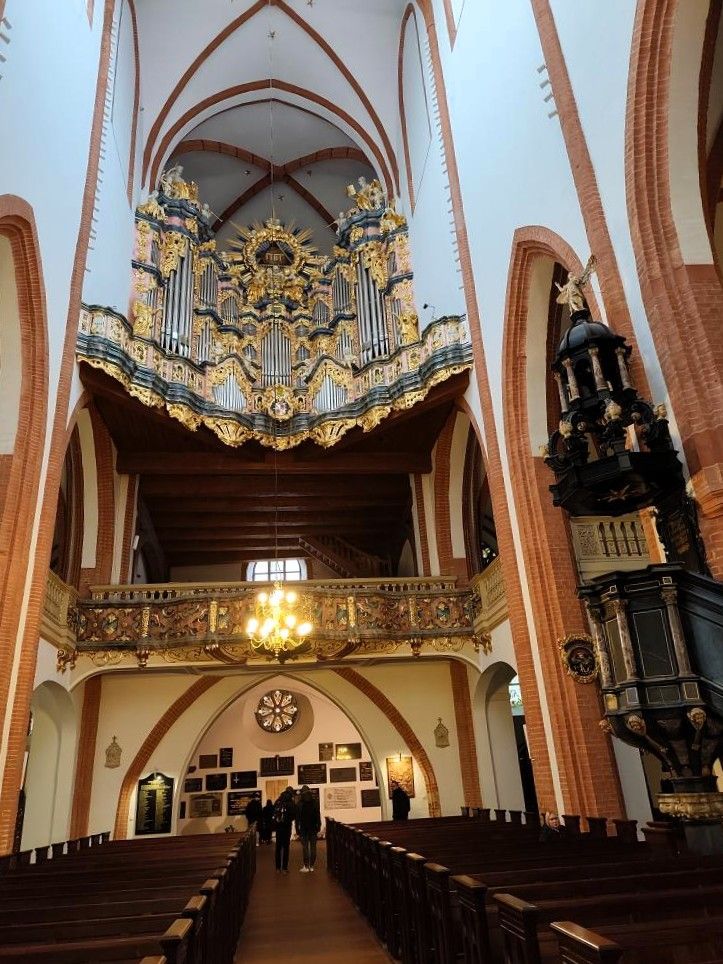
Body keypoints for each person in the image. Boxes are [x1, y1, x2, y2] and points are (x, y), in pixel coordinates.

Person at [295, 785, 321, 873]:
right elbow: (318, 815)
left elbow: (297, 818)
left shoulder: (299, 803)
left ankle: (306, 866)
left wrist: (297, 829)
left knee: (305, 847)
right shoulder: (314, 802)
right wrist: (318, 826)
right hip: (313, 828)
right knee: (313, 847)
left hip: (303, 829)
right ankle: (311, 866)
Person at [273, 787, 296, 873]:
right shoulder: (291, 802)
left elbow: (274, 812)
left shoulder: (278, 800)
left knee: (278, 847)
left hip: (279, 827)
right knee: (286, 848)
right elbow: (294, 815)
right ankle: (284, 868)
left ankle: (277, 868)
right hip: (287, 827)